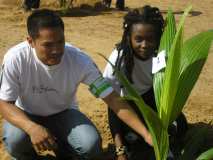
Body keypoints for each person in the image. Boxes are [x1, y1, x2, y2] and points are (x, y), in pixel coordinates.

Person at [0, 9, 153, 160]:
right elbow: (5, 103)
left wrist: (146, 134)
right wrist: (31, 127)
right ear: (30, 41)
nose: (56, 50)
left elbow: (113, 99)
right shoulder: (16, 59)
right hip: (26, 113)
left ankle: (65, 152)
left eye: (60, 42)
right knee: (15, 140)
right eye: (48, 45)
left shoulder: (79, 61)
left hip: (63, 112)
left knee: (90, 145)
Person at [103, 6, 188, 160]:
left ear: (158, 38)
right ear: (129, 37)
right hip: (129, 103)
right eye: (138, 39)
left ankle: (166, 147)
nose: (144, 44)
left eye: (150, 39)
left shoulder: (162, 54)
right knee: (134, 139)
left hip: (152, 97)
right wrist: (119, 149)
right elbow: (113, 104)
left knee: (181, 126)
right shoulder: (118, 58)